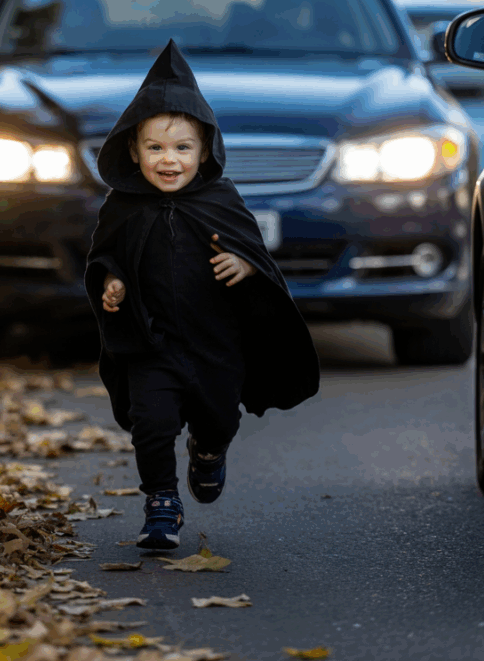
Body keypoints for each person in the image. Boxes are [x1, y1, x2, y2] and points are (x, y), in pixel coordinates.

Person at [84, 39, 320, 550]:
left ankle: (209, 450)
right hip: (151, 344)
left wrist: (245, 266)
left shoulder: (222, 200)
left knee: (217, 417)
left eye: (182, 148)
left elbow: (257, 258)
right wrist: (111, 283)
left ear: (205, 149)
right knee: (151, 423)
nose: (169, 160)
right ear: (133, 149)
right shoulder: (122, 205)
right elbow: (105, 257)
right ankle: (161, 502)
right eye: (155, 148)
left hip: (216, 345)